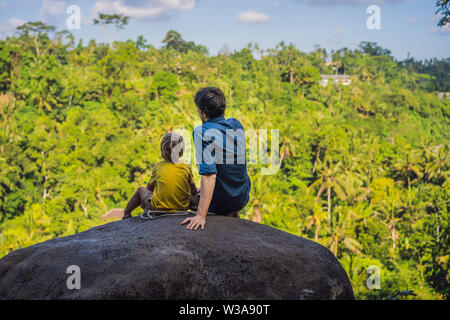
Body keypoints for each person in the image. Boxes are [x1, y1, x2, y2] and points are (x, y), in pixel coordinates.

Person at [181, 87, 251, 230]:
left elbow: (209, 176)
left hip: (221, 204)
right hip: (241, 197)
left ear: (201, 112)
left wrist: (201, 215)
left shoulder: (202, 132)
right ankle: (233, 210)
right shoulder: (236, 124)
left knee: (180, 197)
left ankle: (224, 208)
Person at [119, 132, 198, 219]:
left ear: (162, 149)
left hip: (158, 209)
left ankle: (126, 213)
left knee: (141, 190)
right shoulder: (186, 167)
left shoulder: (158, 166)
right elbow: (193, 192)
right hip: (181, 207)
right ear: (181, 150)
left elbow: (149, 188)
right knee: (200, 191)